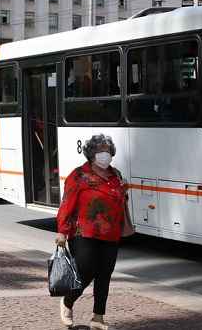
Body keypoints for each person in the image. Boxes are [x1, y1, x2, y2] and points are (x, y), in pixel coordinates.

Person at [55, 134, 127, 330]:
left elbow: (122, 199)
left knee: (105, 274)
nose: (105, 154)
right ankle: (68, 302)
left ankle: (98, 318)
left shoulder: (116, 175)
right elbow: (66, 204)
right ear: (91, 154)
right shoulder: (78, 175)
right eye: (100, 151)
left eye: (108, 150)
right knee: (86, 269)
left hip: (111, 233)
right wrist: (62, 231)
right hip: (83, 232)